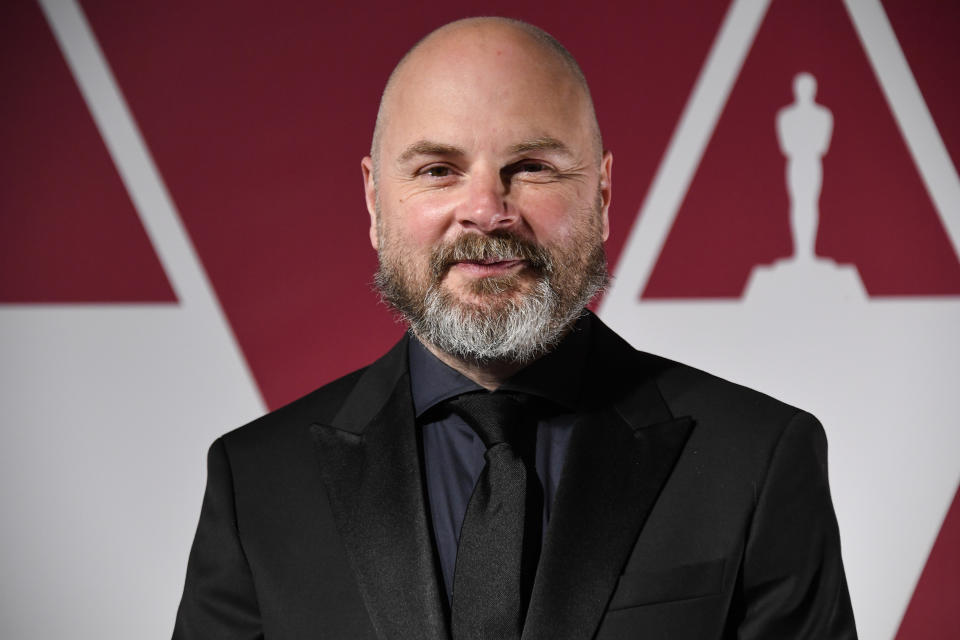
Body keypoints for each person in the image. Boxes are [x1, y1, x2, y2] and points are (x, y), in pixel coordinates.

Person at [173, 17, 857, 639]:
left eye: (530, 168)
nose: (486, 210)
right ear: (375, 202)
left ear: (603, 196)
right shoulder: (257, 482)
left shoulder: (758, 459)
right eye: (438, 170)